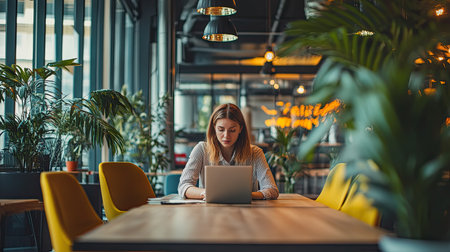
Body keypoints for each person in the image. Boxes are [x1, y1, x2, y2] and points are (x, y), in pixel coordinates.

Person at [178, 103, 279, 200]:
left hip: (247, 213)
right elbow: (184, 186)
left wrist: (246, 195)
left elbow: (272, 190)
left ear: (240, 129)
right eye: (221, 130)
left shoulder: (255, 153)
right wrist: (205, 193)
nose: (226, 136)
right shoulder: (201, 150)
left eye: (232, 130)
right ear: (214, 128)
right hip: (209, 212)